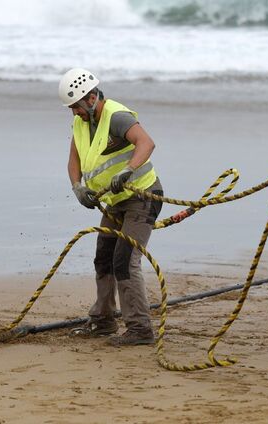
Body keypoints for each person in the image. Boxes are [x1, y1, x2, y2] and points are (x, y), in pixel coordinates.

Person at [59, 68, 164, 346]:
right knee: (104, 258)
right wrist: (77, 187)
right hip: (114, 204)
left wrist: (128, 171)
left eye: (76, 108)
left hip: (142, 197)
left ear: (91, 98)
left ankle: (140, 329)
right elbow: (74, 161)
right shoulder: (81, 124)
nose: (74, 113)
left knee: (124, 261)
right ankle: (103, 321)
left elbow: (146, 143)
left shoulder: (116, 117)